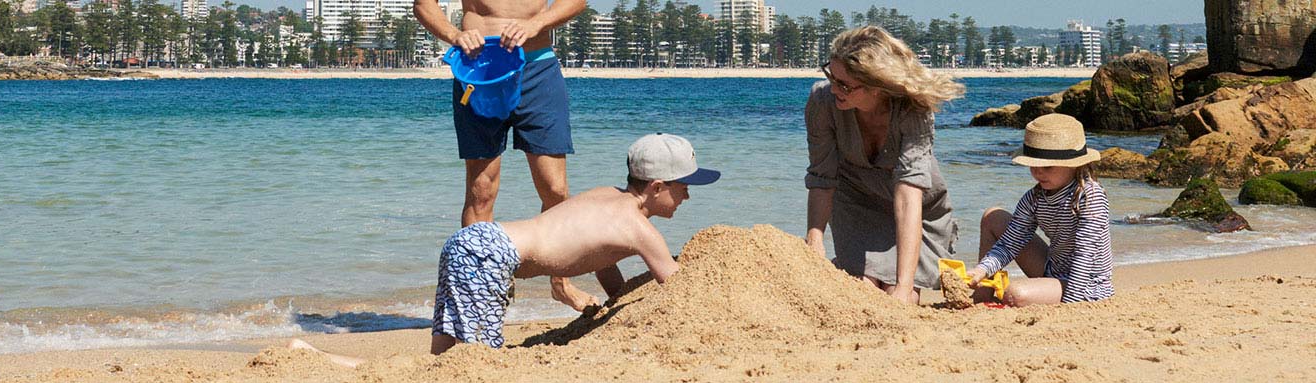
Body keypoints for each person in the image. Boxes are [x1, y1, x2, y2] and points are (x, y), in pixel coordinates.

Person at [286, 133, 720, 366]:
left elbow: (604, 263)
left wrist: (613, 305)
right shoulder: (638, 228)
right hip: (490, 255)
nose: (687, 198)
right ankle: (319, 359)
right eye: (684, 188)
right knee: (474, 366)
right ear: (658, 187)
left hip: (475, 241)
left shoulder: (605, 197)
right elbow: (676, 285)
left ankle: (319, 360)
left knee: (445, 363)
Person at [412, 0, 600, 312]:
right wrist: (454, 34)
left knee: (555, 189)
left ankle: (561, 283)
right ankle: (481, 289)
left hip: (537, 68)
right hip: (479, 70)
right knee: (481, 190)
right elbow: (423, 4)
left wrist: (537, 24)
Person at [803, 26, 966, 304]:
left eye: (844, 85)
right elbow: (822, 177)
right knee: (862, 293)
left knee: (900, 299)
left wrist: (904, 285)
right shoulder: (822, 102)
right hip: (856, 204)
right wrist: (814, 242)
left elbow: (908, 194)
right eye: (831, 75)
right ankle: (845, 264)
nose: (833, 88)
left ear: (877, 88)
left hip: (917, 212)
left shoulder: (913, 110)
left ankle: (876, 274)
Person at [969, 113, 1114, 307]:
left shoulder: (1089, 196)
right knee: (993, 216)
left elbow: (1085, 255)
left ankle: (1053, 296)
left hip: (1087, 284)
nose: (1038, 172)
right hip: (1053, 270)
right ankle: (982, 295)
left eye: (1047, 167)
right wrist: (981, 270)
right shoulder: (1034, 198)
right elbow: (1009, 243)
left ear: (1073, 165)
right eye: (1033, 165)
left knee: (1014, 294)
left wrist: (1070, 305)